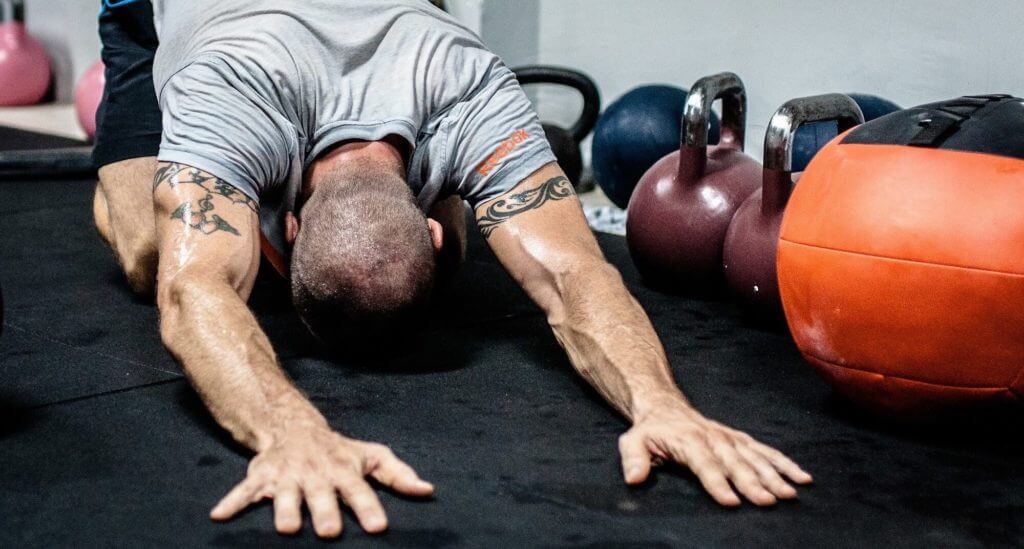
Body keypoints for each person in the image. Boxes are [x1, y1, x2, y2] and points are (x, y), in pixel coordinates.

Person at [92, 0, 812, 539]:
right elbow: (188, 290)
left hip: (405, 19)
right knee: (152, 254)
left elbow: (575, 275)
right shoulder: (225, 88)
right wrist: (287, 430)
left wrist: (664, 405)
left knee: (269, 259)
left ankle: (289, 230)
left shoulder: (467, 83)